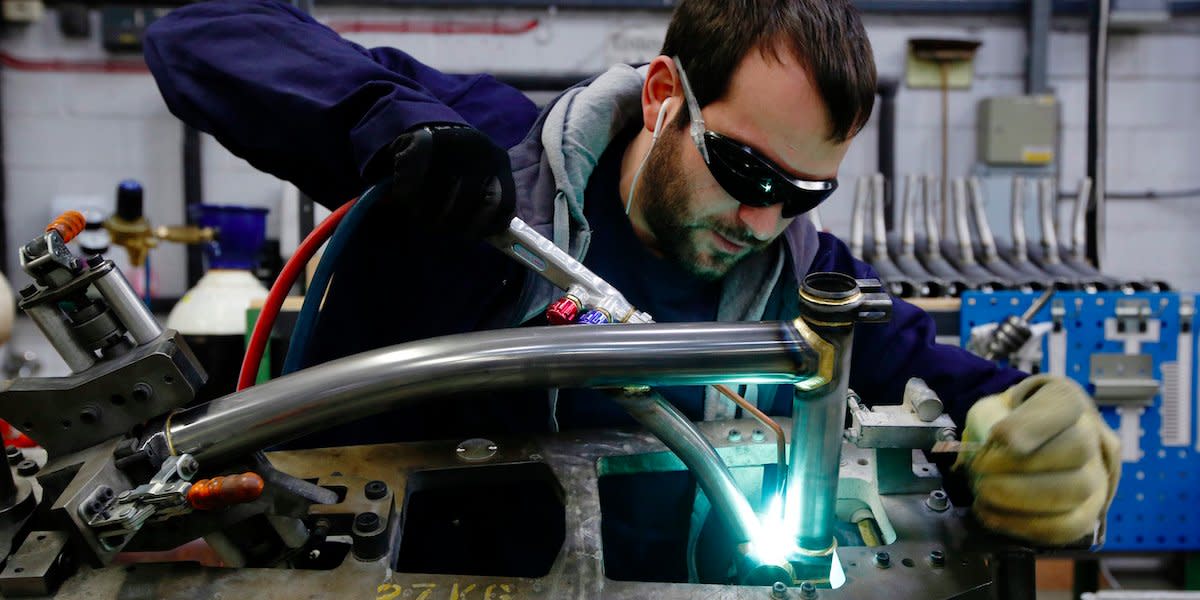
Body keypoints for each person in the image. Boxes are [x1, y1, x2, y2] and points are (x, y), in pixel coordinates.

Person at [143, 0, 1119, 579]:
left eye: (804, 191)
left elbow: (924, 367)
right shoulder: (489, 158)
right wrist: (387, 128)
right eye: (746, 173)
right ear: (663, 97)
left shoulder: (793, 271)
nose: (764, 222)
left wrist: (1032, 426)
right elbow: (199, 31)